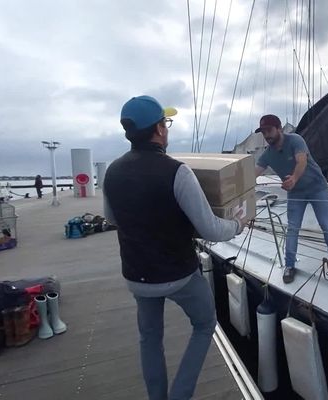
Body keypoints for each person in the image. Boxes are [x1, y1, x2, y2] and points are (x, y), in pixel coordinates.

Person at [103, 95, 245, 400]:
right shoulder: (177, 172)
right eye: (165, 123)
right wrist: (238, 225)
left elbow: (112, 217)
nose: (167, 129)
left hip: (137, 276)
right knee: (205, 323)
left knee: (149, 339)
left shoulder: (112, 172)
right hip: (177, 274)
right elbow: (211, 229)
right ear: (158, 129)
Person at [254, 114, 328, 284]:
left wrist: (293, 179)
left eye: (269, 130)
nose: (267, 135)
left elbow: (301, 161)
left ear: (279, 128)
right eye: (263, 132)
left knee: (325, 223)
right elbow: (254, 173)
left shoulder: (295, 140)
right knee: (292, 228)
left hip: (317, 187)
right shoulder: (267, 155)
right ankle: (290, 266)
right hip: (296, 193)